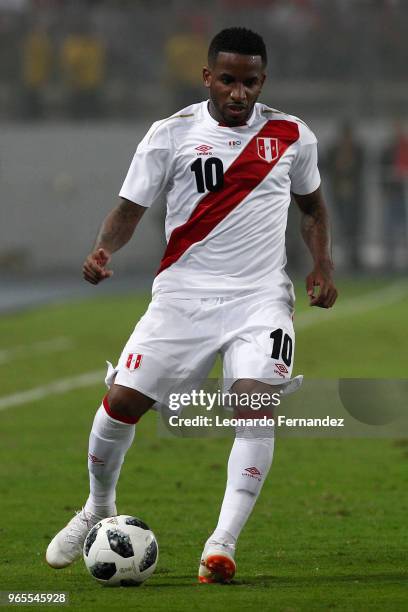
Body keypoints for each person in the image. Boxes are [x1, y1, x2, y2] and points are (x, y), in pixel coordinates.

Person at [46, 27, 337, 583]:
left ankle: (220, 546)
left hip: (260, 299)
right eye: (227, 80)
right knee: (122, 401)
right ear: (207, 77)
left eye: (249, 82)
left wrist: (321, 263)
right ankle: (96, 509)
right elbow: (129, 208)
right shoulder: (170, 134)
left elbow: (314, 209)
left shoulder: (292, 136)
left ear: (262, 82)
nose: (238, 93)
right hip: (183, 294)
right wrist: (104, 249)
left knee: (255, 407)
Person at [326, 122, 364, 271]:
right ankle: (342, 255)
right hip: (338, 194)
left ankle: (354, 256)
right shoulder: (333, 151)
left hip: (354, 195)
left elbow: (360, 168)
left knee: (354, 226)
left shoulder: (358, 150)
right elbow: (328, 167)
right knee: (340, 225)